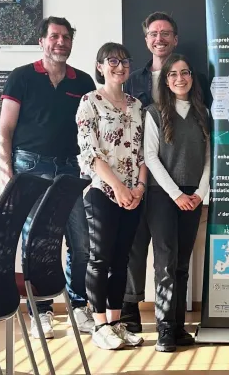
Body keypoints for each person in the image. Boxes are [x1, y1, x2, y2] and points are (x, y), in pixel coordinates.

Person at [0, 16, 96, 339]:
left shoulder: (83, 82)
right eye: (54, 36)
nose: (60, 42)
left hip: (70, 168)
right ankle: (41, 313)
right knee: (37, 244)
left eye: (66, 37)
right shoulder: (21, 77)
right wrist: (8, 174)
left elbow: (90, 131)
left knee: (81, 242)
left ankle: (78, 306)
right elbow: (5, 130)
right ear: (42, 41)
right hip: (30, 166)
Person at [121, 11, 210, 332]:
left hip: (177, 180)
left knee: (172, 258)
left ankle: (173, 325)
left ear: (175, 38)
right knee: (136, 250)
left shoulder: (198, 91)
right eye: (153, 34)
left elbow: (204, 145)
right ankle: (129, 315)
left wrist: (198, 191)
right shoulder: (133, 80)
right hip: (136, 179)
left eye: (166, 33)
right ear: (146, 39)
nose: (159, 39)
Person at [77, 42, 147, 350]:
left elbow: (143, 153)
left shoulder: (136, 105)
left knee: (122, 261)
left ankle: (116, 323)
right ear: (100, 66)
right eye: (113, 61)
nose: (120, 66)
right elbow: (90, 153)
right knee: (100, 258)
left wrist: (139, 188)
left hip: (133, 194)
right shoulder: (90, 101)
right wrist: (118, 188)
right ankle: (100, 325)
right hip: (102, 192)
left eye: (125, 61)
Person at [143, 54, 210, 352]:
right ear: (166, 81)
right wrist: (176, 194)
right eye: (173, 74)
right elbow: (150, 157)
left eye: (185, 73)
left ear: (192, 77)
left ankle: (179, 326)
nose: (179, 78)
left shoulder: (203, 113)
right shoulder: (154, 112)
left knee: (182, 263)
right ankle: (165, 330)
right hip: (163, 196)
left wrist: (200, 193)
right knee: (166, 263)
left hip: (193, 196)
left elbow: (209, 158)